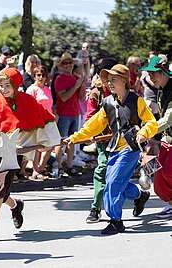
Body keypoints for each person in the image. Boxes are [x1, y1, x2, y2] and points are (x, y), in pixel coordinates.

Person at [64, 64, 158, 235]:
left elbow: (151, 122)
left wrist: (144, 132)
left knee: (113, 183)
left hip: (131, 149)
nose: (109, 83)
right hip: (113, 148)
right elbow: (92, 126)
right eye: (108, 80)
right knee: (113, 182)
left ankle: (116, 221)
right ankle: (139, 195)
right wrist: (74, 138)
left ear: (125, 81)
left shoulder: (136, 100)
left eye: (113, 79)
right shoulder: (107, 103)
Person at [0, 67, 60, 241]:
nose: (3, 89)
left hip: (14, 152)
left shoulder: (28, 101)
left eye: (7, 85)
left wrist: (47, 142)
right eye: (0, 85)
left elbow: (46, 118)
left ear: (16, 84)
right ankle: (15, 205)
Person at [84, 58, 117, 223]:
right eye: (105, 75)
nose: (109, 80)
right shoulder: (96, 93)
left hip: (123, 141)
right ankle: (95, 208)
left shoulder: (124, 90)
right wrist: (91, 132)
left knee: (117, 175)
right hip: (105, 140)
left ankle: (139, 195)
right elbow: (90, 117)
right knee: (102, 169)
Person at [140, 55, 172, 217]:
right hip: (166, 140)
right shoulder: (160, 92)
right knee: (159, 182)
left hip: (168, 137)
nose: (150, 77)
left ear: (164, 73)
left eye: (153, 73)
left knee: (168, 172)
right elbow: (159, 118)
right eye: (149, 73)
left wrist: (146, 132)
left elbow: (167, 120)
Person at [54, 52, 84, 176]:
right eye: (65, 63)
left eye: (70, 62)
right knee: (61, 141)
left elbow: (81, 97)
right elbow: (64, 97)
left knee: (72, 141)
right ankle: (58, 166)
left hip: (75, 113)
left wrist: (81, 82)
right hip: (64, 114)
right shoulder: (59, 79)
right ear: (61, 65)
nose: (68, 65)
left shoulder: (75, 78)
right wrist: (76, 85)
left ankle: (70, 166)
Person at [26, 65, 53, 179]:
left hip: (48, 120)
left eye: (43, 75)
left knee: (50, 144)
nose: (41, 77)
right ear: (34, 76)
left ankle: (40, 168)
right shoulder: (32, 89)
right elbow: (27, 105)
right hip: (36, 120)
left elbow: (50, 105)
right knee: (38, 146)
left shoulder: (47, 89)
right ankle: (35, 171)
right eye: (38, 75)